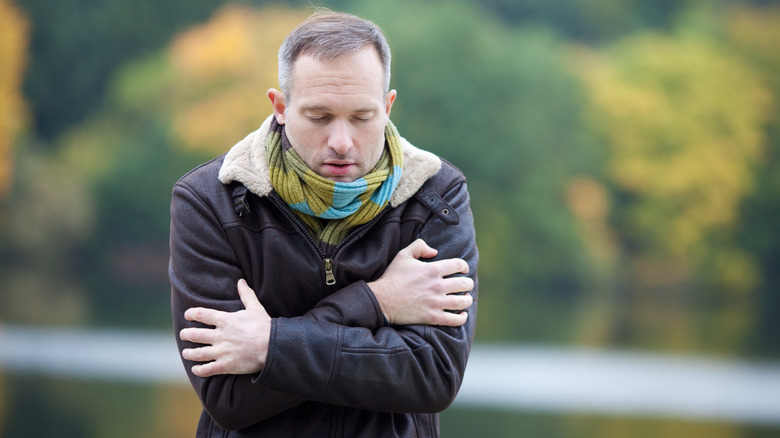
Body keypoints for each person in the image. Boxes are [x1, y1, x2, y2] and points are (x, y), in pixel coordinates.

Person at [169, 10, 478, 437]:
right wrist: (376, 303)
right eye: (318, 117)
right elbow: (229, 399)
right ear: (280, 107)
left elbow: (432, 376)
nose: (341, 142)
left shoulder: (436, 196)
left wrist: (269, 345)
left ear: (387, 107)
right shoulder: (209, 199)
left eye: (362, 117)